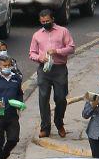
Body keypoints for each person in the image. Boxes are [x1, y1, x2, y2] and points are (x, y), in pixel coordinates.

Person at [28, 8, 75, 138]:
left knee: (60, 98)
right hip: (44, 69)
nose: (45, 23)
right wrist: (39, 58)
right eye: (43, 21)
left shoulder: (63, 31)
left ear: (53, 19)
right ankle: (45, 127)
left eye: (47, 21)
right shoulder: (37, 35)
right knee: (43, 99)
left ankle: (59, 122)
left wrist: (57, 51)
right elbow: (31, 53)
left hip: (59, 68)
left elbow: (71, 48)